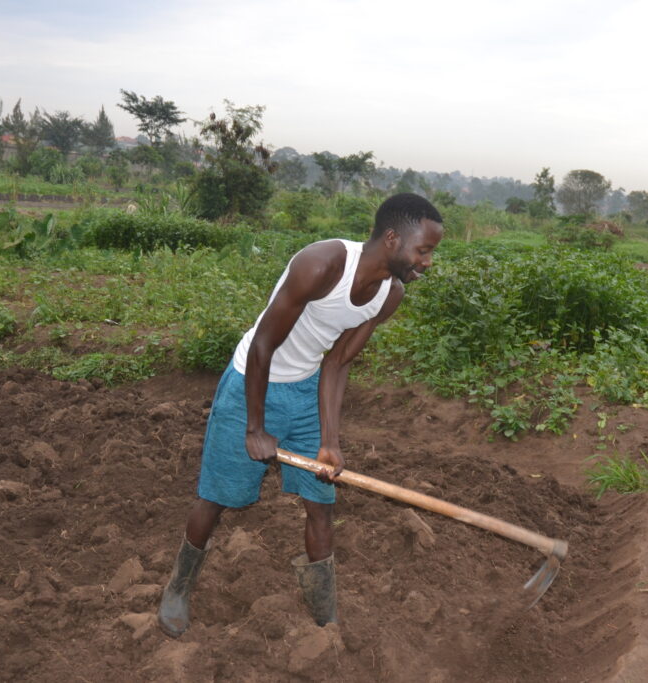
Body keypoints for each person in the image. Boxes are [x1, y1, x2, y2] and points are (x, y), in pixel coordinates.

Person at [159, 193, 444, 637]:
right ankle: (179, 586)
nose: (427, 262)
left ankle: (324, 611)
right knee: (216, 498)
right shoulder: (323, 263)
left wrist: (330, 440)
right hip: (252, 382)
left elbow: (337, 363)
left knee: (321, 504)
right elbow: (263, 346)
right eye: (423, 250)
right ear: (392, 238)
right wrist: (256, 427)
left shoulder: (390, 294)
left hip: (306, 390)